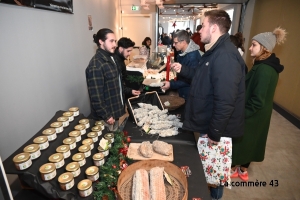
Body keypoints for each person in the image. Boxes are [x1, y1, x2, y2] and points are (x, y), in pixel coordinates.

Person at [171, 10, 246, 200]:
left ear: (213, 28)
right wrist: (184, 70)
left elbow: (226, 101)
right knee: (208, 172)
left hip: (216, 128)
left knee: (215, 174)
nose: (200, 30)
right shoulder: (214, 51)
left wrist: (214, 131)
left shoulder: (225, 56)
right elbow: (202, 76)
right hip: (209, 122)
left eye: (203, 25)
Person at [231, 27, 287, 182]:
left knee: (248, 140)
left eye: (254, 44)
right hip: (257, 112)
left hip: (254, 113)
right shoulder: (261, 65)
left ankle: (242, 168)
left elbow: (257, 100)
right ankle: (239, 167)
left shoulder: (264, 69)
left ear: (264, 48)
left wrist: (241, 115)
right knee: (248, 141)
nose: (250, 47)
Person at [85, 28, 132, 131]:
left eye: (115, 41)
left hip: (115, 111)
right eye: (111, 41)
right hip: (106, 118)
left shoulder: (112, 58)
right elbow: (96, 96)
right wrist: (106, 115)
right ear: (101, 42)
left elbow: (117, 84)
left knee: (114, 140)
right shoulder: (96, 65)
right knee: (106, 144)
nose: (114, 44)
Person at [161, 30, 202, 100]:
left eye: (175, 43)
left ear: (183, 42)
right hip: (184, 91)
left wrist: (171, 84)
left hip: (189, 93)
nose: (173, 45)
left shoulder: (192, 57)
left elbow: (191, 80)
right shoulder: (183, 51)